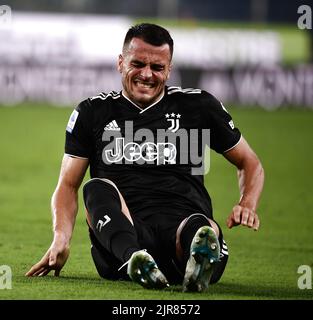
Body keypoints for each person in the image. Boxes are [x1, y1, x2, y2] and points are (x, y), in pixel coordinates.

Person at [26, 23, 264, 292]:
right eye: (137, 64)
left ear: (169, 69)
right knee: (96, 188)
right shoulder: (93, 113)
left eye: (158, 68)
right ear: (120, 62)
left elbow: (250, 162)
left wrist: (248, 203)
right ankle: (136, 260)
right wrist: (61, 238)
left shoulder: (198, 107)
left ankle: (197, 260)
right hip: (123, 234)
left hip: (183, 231)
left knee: (201, 228)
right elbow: (68, 185)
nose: (147, 75)